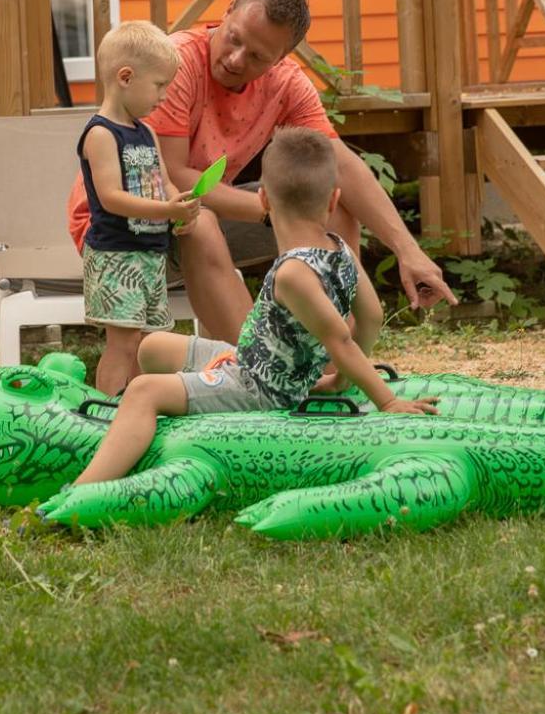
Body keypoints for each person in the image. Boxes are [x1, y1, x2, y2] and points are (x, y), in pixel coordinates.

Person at [68, 0, 456, 344]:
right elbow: (172, 174)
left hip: (201, 214)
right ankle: (258, 369)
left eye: (257, 56)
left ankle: (332, 354)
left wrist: (408, 251)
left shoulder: (286, 83)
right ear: (229, 10)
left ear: (281, 58)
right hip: (124, 225)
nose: (236, 59)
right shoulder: (174, 64)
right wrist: (271, 210)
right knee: (201, 221)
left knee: (330, 200)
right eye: (234, 39)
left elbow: (339, 165)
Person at [63, 127, 439, 491]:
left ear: (262, 200)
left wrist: (385, 401)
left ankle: (83, 486)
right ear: (334, 199)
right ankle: (132, 433)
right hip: (251, 362)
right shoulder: (340, 250)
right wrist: (337, 379)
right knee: (153, 347)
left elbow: (340, 339)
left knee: (144, 390)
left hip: (257, 389)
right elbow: (371, 317)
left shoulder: (293, 273)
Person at [78, 21, 201, 396]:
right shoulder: (100, 134)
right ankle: (107, 411)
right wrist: (166, 211)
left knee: (149, 343)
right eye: (159, 85)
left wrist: (179, 205)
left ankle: (138, 403)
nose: (164, 96)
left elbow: (164, 182)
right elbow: (111, 197)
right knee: (124, 341)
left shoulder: (145, 132)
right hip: (116, 256)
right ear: (126, 77)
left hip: (149, 254)